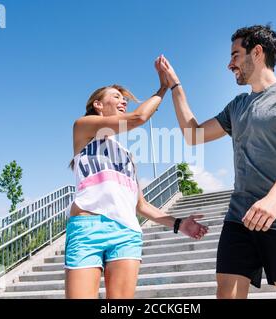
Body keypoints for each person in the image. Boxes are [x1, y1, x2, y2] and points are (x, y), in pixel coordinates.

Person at [157, 25, 276, 299]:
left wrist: (273, 199)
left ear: (257, 52)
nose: (229, 64)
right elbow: (193, 134)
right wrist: (176, 86)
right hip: (239, 219)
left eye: (235, 55)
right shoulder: (238, 105)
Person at [65, 56, 209, 299]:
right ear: (98, 105)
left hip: (126, 232)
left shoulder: (127, 155)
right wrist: (164, 88)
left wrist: (178, 223)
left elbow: (140, 205)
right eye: (116, 97)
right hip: (87, 227)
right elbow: (138, 118)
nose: (123, 101)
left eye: (124, 98)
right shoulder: (84, 127)